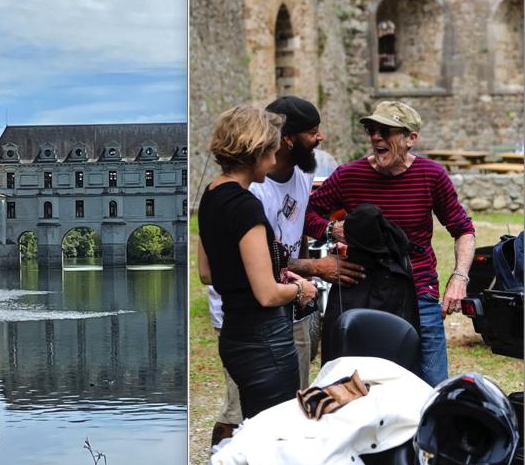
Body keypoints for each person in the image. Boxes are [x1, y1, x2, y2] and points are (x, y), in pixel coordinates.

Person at [207, 97, 365, 443]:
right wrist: (308, 279)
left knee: (293, 404)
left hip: (279, 316)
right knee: (251, 418)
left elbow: (209, 271)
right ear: (281, 141)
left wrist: (322, 239)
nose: (320, 137)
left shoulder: (214, 194)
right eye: (312, 131)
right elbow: (262, 284)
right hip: (260, 323)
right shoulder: (250, 200)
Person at [306, 100, 474, 386]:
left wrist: (459, 277)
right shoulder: (349, 175)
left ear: (411, 138)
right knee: (350, 387)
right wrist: (332, 229)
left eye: (387, 131)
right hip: (360, 290)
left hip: (418, 291)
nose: (376, 137)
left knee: (431, 386)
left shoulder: (431, 176)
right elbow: (306, 213)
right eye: (372, 130)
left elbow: (463, 230)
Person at [198, 105, 318, 420]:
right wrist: (301, 288)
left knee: (251, 428)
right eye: (272, 151)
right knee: (277, 431)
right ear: (255, 152)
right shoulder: (247, 208)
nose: (276, 158)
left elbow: (206, 273)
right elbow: (266, 293)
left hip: (234, 335)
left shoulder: (210, 196)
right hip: (264, 342)